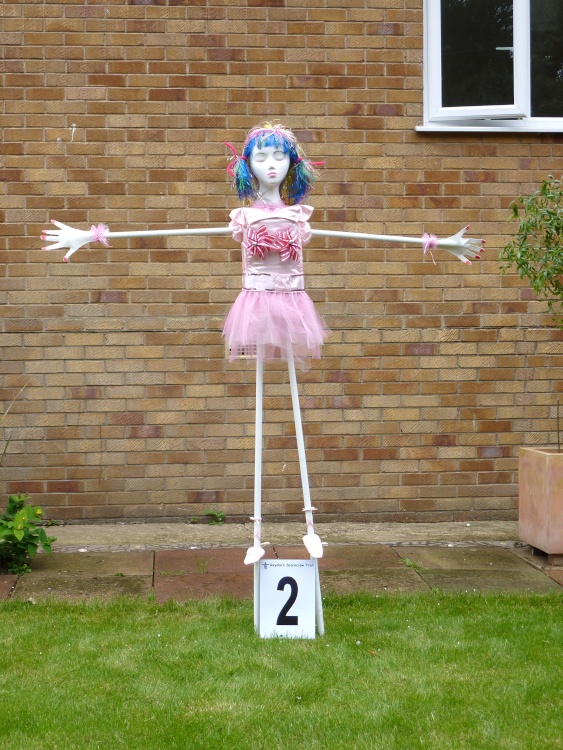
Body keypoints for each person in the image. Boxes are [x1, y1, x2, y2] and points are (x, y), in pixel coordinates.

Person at [41, 123, 483, 605]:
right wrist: (94, 236)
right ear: (246, 166)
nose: (271, 165)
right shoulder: (244, 217)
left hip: (292, 304)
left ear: (293, 165)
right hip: (255, 304)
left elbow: (371, 236)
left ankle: (310, 525)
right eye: (261, 157)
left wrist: (437, 243)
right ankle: (255, 534)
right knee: (257, 408)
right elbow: (169, 231)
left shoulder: (299, 215)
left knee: (294, 404)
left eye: (279, 157)